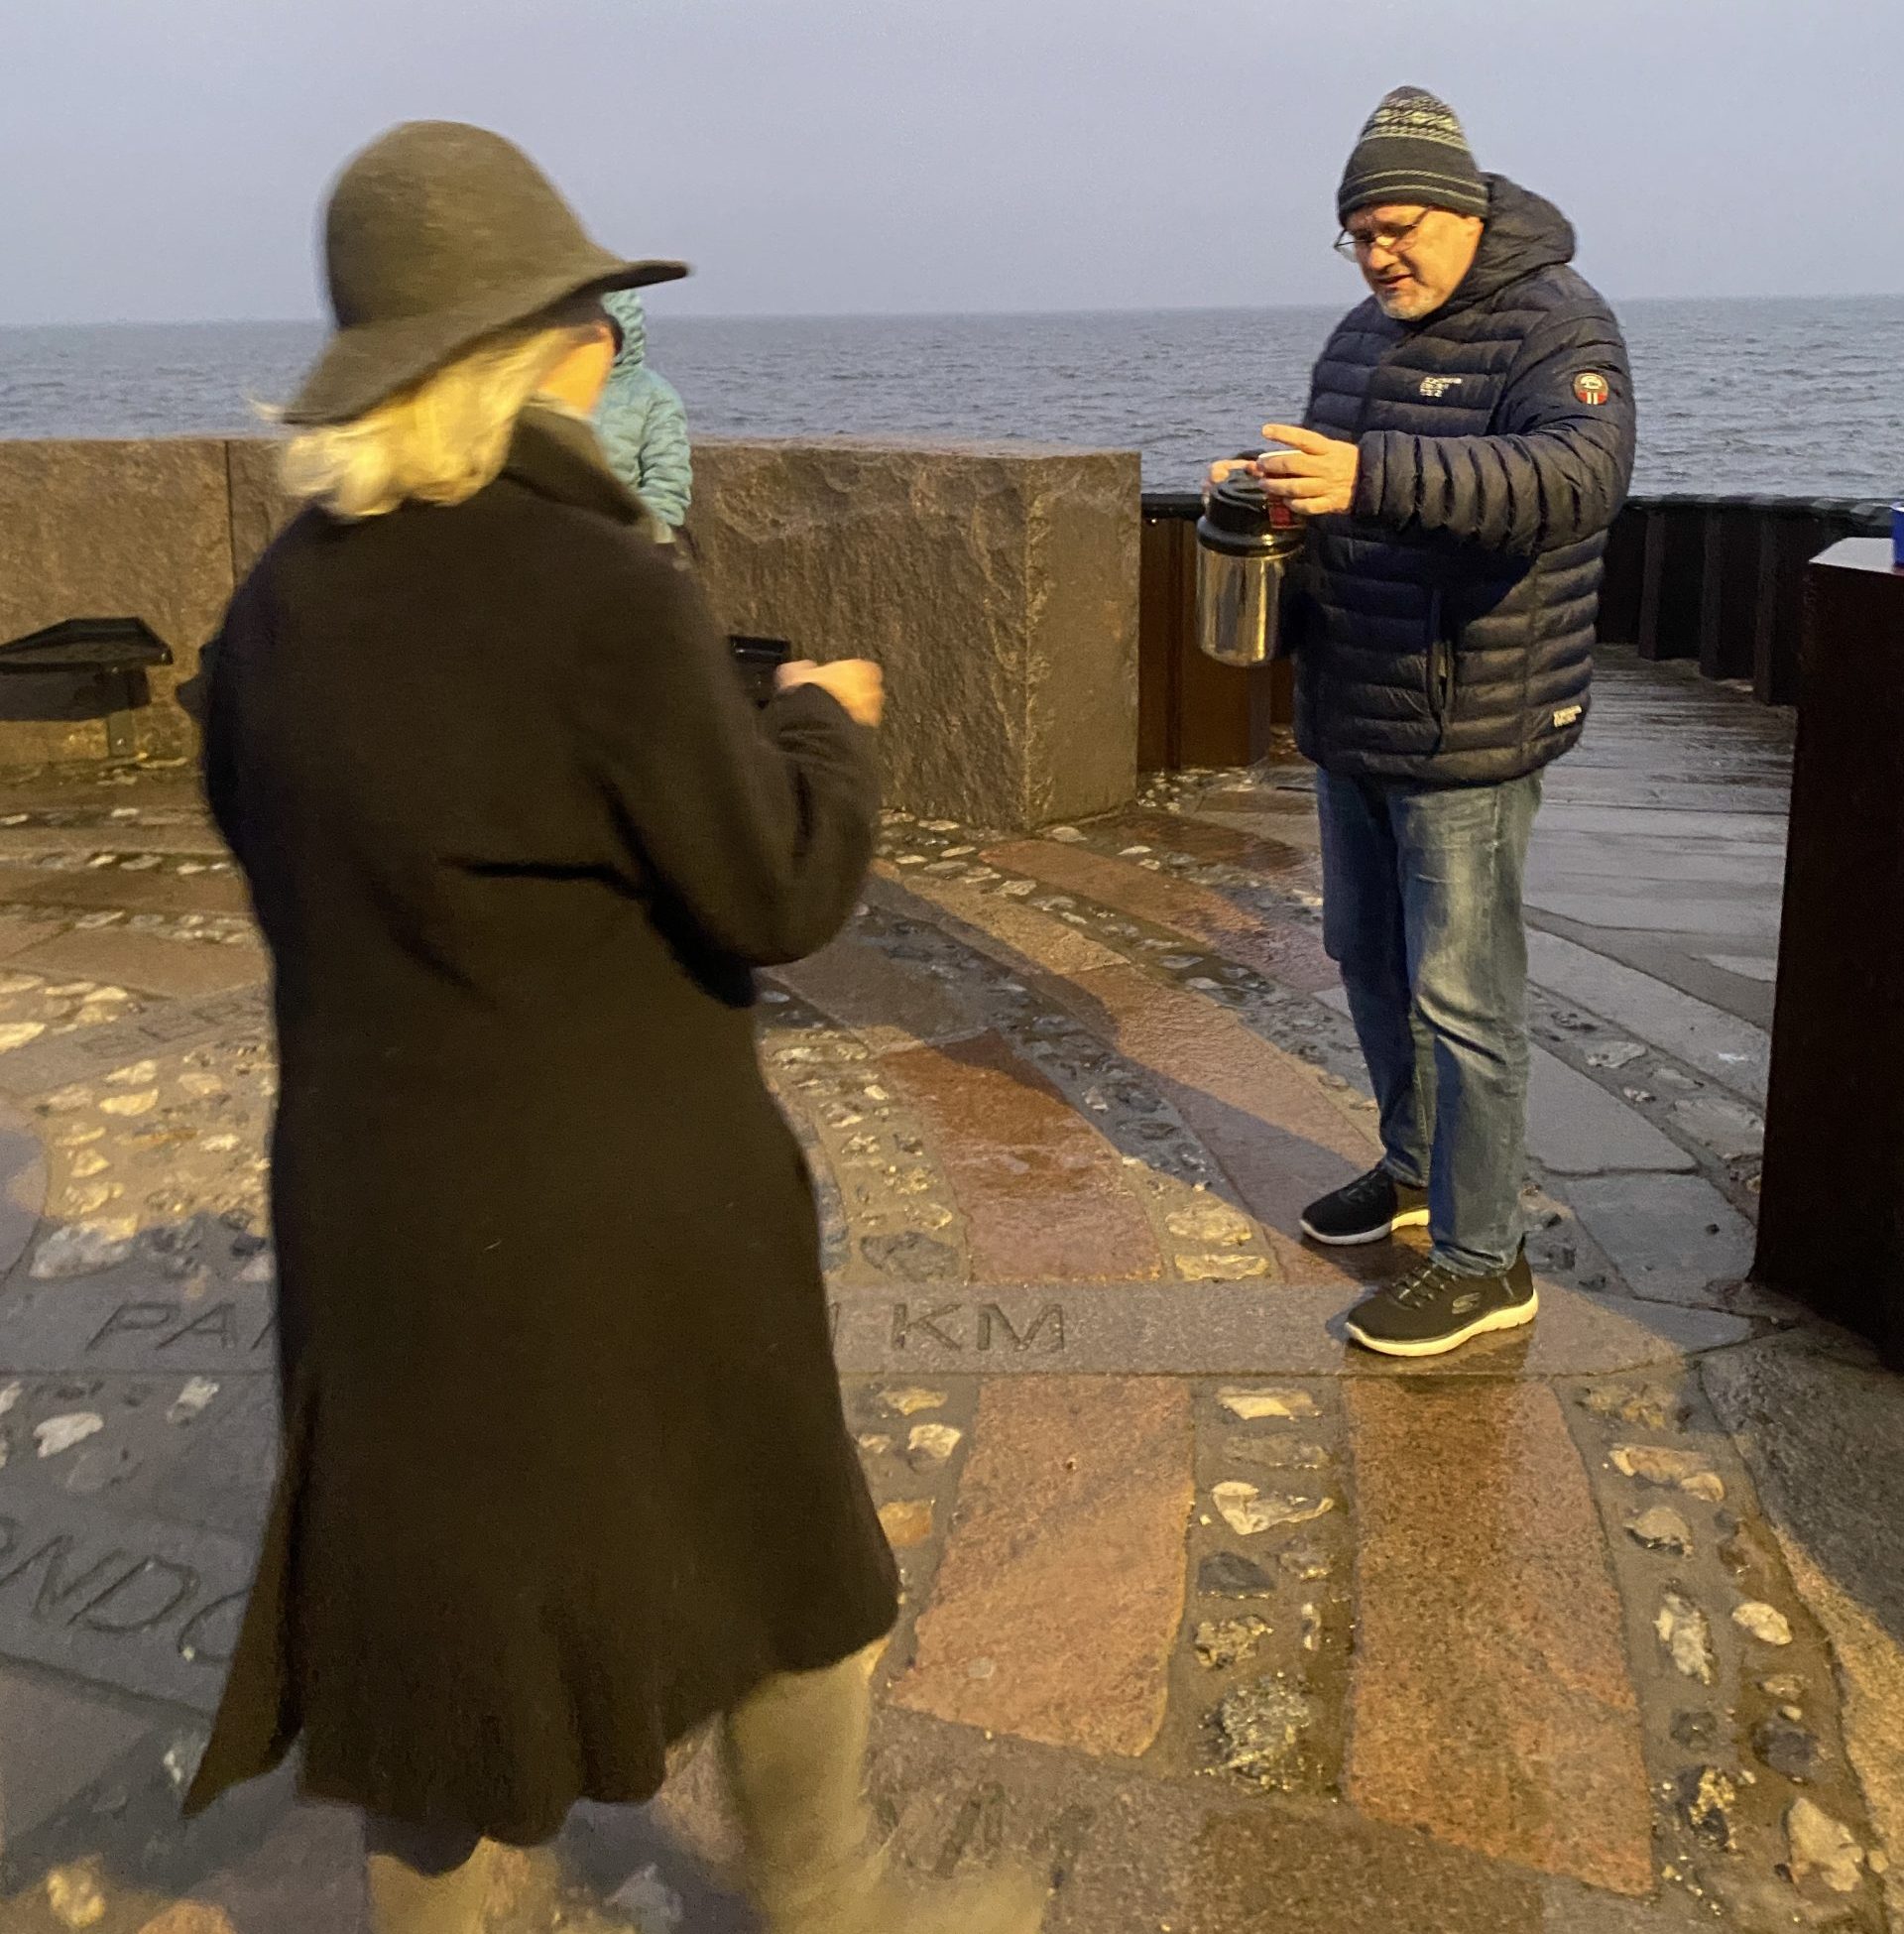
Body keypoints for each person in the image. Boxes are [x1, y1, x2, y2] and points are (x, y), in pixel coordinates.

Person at [180, 119, 1046, 1934]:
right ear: (507, 358)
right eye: (575, 317)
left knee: (432, 1639)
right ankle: (832, 1902)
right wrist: (822, 723)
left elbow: (293, 855)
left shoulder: (271, 616)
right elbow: (775, 889)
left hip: (380, 1210)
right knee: (782, 1550)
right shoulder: (603, 590)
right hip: (634, 1207)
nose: (601, 343)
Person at [1212, 87, 1636, 1358]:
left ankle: (1485, 1257)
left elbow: (1578, 477)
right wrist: (1271, 495)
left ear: (1463, 213)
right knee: (1367, 957)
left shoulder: (1559, 322)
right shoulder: (1359, 335)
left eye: (1397, 228)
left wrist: (1368, 474)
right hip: (1354, 699)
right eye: (1359, 235)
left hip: (1472, 714)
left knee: (1464, 998)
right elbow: (1339, 485)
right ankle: (1412, 1173)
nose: (1378, 256)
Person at [595, 288, 693, 527]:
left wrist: (637, 534)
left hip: (619, 535)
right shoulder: (544, 385)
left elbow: (667, 485)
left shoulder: (654, 395)